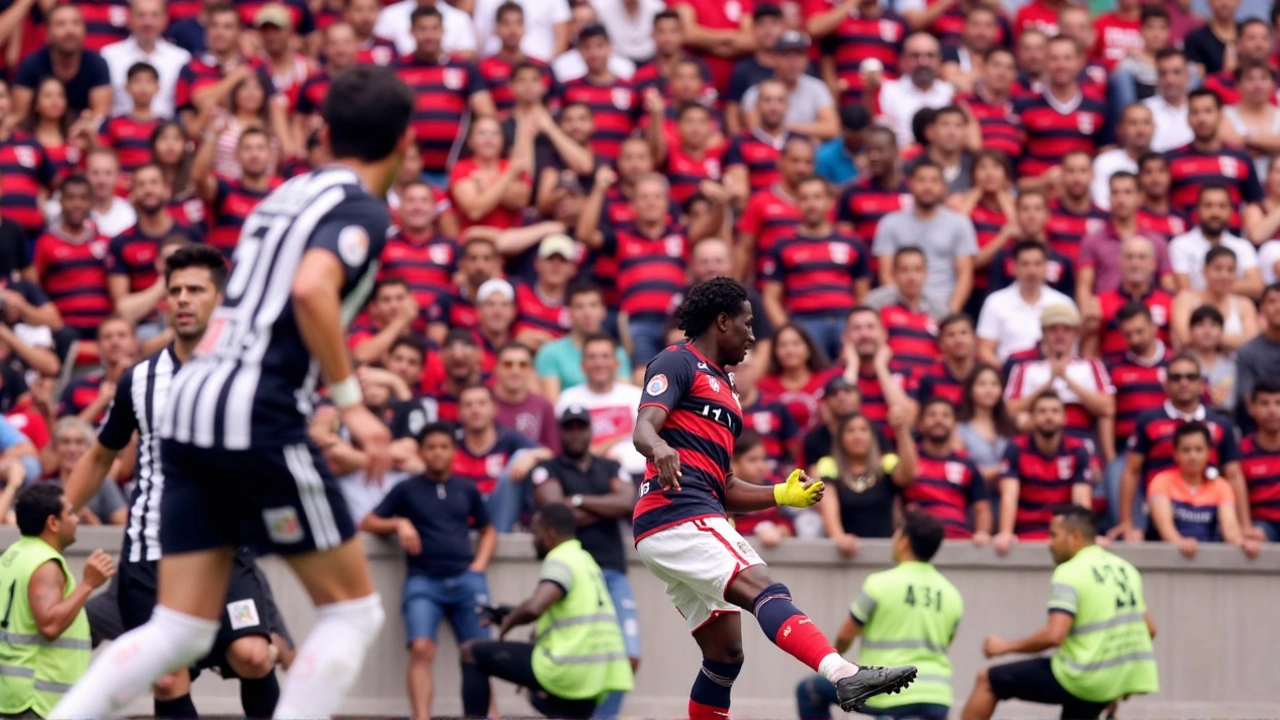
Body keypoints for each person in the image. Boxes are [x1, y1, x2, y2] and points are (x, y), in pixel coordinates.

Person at [51, 65, 415, 718]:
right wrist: (354, 404)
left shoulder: (284, 194)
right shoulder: (360, 207)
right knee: (354, 614)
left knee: (180, 630)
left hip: (190, 406)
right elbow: (311, 288)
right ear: (404, 143)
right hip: (259, 413)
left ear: (322, 133)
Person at [633, 277, 917, 717]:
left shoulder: (728, 391)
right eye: (747, 325)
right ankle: (843, 674)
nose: (752, 336)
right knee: (765, 586)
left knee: (725, 655)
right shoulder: (677, 360)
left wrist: (781, 494)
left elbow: (724, 485)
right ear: (722, 321)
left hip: (677, 520)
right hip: (679, 513)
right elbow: (643, 428)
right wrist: (660, 447)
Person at [62, 244, 285, 717]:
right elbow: (101, 455)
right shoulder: (138, 380)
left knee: (253, 655)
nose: (183, 298)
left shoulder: (249, 373)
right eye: (175, 290)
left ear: (219, 300)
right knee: (166, 679)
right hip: (150, 552)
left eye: (195, 290)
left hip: (225, 550)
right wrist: (57, 515)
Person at [961, 505, 1159, 720]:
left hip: (1081, 677)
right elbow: (1149, 629)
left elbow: (1054, 635)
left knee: (988, 681)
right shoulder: (1124, 569)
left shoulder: (1070, 571)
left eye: (1053, 535)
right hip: (1112, 681)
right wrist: (1112, 682)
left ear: (1074, 537)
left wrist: (1006, 647)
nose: (1049, 542)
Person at [359, 422, 497, 720]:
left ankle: (490, 715)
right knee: (421, 648)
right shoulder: (406, 489)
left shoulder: (466, 488)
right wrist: (398, 523)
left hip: (466, 580)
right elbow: (368, 522)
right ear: (420, 452)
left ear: (453, 452)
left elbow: (488, 530)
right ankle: (421, 717)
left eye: (444, 447)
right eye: (431, 447)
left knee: (481, 653)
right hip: (423, 581)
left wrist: (478, 567)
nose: (437, 453)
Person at [458, 503, 633, 719]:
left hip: (567, 668)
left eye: (535, 532)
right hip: (596, 673)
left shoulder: (560, 557)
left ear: (549, 533)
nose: (533, 539)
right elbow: (564, 611)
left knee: (471, 652)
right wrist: (508, 612)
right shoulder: (585, 559)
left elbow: (535, 607)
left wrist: (508, 623)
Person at [531, 405, 641, 718]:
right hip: (570, 574)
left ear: (591, 430)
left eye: (581, 427)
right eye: (569, 427)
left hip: (610, 569)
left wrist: (577, 501)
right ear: (561, 431)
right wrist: (603, 506)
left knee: (629, 657)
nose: (576, 433)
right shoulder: (547, 469)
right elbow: (556, 514)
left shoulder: (609, 466)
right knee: (568, 658)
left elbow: (627, 502)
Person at [796, 512, 961, 720]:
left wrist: (836, 663)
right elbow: (946, 641)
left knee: (810, 690)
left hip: (886, 692)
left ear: (904, 542)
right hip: (937, 696)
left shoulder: (879, 584)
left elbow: (847, 634)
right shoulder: (952, 594)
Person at [0, 484, 115, 718]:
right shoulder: (45, 564)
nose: (76, 520)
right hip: (38, 701)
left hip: (15, 694)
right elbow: (50, 625)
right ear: (53, 523)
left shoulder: (13, 554)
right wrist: (88, 584)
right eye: (70, 513)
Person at [1113, 352, 1247, 539]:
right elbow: (1131, 471)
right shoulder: (1148, 420)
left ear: (1202, 384)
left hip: (1209, 511)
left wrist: (1245, 526)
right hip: (1159, 506)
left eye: (1191, 377)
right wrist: (1126, 522)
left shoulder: (1221, 423)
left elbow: (1234, 474)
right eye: (1176, 377)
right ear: (1166, 384)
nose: (1184, 383)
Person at [762, 175, 870, 359]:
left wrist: (857, 326)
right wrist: (788, 331)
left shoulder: (853, 243)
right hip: (804, 322)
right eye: (805, 198)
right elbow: (771, 297)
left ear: (830, 201)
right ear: (797, 203)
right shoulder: (783, 246)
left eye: (817, 197)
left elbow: (863, 294)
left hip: (845, 321)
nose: (811, 204)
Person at [994, 392, 1092, 555]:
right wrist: (1005, 533)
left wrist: (1088, 538)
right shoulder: (1016, 448)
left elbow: (1081, 500)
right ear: (1032, 417)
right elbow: (1009, 495)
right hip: (1024, 533)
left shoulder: (1078, 450)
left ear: (1064, 418)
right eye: (1042, 411)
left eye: (1055, 411)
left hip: (1062, 535)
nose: (1049, 416)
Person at [872, 161, 977, 314]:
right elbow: (886, 273)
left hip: (943, 306)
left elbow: (965, 274)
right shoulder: (890, 223)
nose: (927, 187)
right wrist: (903, 310)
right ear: (910, 184)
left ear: (944, 187)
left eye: (934, 181)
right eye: (921, 180)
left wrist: (950, 313)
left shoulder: (960, 223)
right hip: (900, 308)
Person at [1147, 422, 1258, 558]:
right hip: (1168, 559)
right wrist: (1180, 542)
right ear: (1175, 454)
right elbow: (1165, 528)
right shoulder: (1161, 482)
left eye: (1199, 449)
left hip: (1208, 559)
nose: (1193, 456)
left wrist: (1242, 542)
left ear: (1209, 453)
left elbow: (1230, 529)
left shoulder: (1221, 486)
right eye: (1186, 450)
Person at [896, 396, 992, 541]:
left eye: (946, 415)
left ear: (955, 424)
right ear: (920, 424)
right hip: (918, 542)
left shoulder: (967, 463)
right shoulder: (909, 459)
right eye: (932, 415)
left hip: (958, 542)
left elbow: (982, 509)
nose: (939, 420)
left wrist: (982, 533)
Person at [814, 412, 909, 556]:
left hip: (885, 550)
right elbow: (827, 500)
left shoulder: (886, 462)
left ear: (873, 436)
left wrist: (902, 432)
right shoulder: (829, 465)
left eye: (863, 430)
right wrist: (839, 537)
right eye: (850, 431)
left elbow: (908, 475)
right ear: (841, 438)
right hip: (847, 552)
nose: (857, 436)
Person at [554, 333, 646, 477]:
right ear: (582, 365)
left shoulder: (637, 396)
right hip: (585, 477)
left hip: (636, 475)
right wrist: (620, 438)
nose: (599, 363)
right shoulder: (567, 399)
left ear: (617, 363)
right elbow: (562, 449)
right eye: (592, 357)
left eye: (605, 356)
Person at [975, 241, 1076, 365]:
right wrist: (1008, 375)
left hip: (1053, 375)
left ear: (1046, 267)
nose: (1032, 270)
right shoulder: (995, 302)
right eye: (1025, 264)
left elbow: (1073, 349)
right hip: (1008, 374)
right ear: (1013, 267)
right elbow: (985, 349)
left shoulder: (1063, 303)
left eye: (1037, 264)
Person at [1169, 184, 1263, 298]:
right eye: (1208, 206)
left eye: (1222, 206)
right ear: (1197, 209)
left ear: (1231, 210)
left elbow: (1256, 286)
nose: (1215, 212)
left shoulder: (1243, 246)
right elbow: (1184, 290)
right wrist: (1228, 286)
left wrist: (1210, 286)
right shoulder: (1180, 245)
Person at [1171, 246, 1259, 351]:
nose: (1224, 275)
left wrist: (1205, 337)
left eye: (1230, 270)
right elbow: (1184, 338)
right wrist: (1233, 340)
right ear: (1205, 270)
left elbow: (1252, 342)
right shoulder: (1186, 298)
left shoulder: (1244, 304)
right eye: (1218, 269)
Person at [957, 364, 1017, 485]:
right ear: (970, 389)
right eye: (982, 384)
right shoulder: (959, 429)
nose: (989, 390)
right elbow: (963, 471)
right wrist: (1002, 469)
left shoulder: (1012, 425)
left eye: (994, 384)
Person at [1236, 284, 1280, 432]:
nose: (1278, 307)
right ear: (1261, 308)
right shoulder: (1247, 352)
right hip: (1260, 425)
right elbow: (1248, 399)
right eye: (1272, 301)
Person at [1241, 378, 1280, 540]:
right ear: (1251, 407)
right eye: (1264, 403)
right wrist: (1246, 528)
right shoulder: (1240, 451)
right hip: (1262, 526)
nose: (1272, 410)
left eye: (1278, 403)